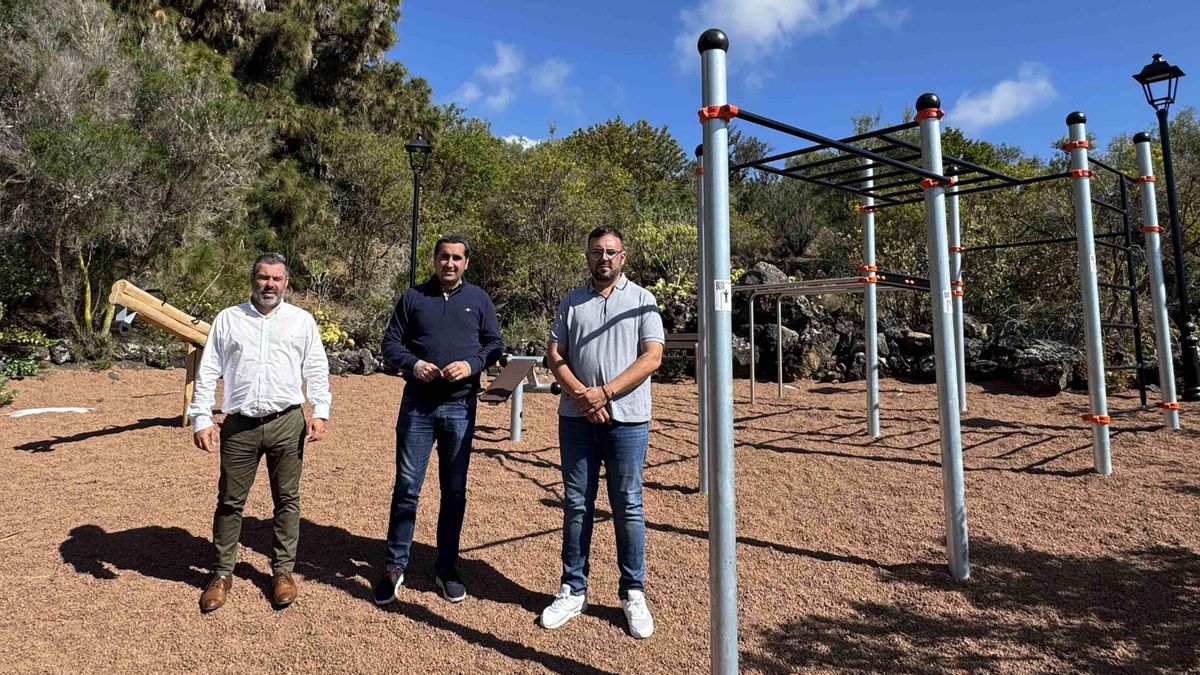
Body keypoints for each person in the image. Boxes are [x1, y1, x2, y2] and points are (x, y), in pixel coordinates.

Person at [188, 252, 331, 613]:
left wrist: (321, 411)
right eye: (264, 277)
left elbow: (316, 367)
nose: (270, 285)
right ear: (253, 279)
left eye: (277, 279)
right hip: (240, 426)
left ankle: (282, 571)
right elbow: (208, 372)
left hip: (287, 422)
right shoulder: (228, 319)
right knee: (230, 502)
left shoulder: (301, 321)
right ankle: (221, 573)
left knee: (287, 500)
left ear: (286, 282)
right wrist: (201, 418)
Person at [539, 226, 664, 639]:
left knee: (627, 504)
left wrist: (605, 393)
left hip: (627, 419)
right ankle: (573, 588)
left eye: (611, 252)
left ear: (623, 257)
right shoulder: (572, 301)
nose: (604, 258)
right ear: (588, 256)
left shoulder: (642, 301)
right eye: (597, 252)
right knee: (577, 502)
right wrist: (581, 395)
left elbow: (652, 357)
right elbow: (555, 354)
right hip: (576, 419)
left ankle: (633, 592)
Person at [373, 234, 503, 605]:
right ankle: (395, 566)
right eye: (444, 257)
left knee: (455, 491)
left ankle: (446, 568)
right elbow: (390, 343)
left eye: (457, 258)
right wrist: (414, 364)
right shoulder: (413, 297)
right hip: (418, 406)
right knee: (407, 490)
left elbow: (494, 344)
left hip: (460, 407)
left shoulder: (479, 300)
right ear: (434, 259)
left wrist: (472, 365)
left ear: (466, 262)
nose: (450, 263)